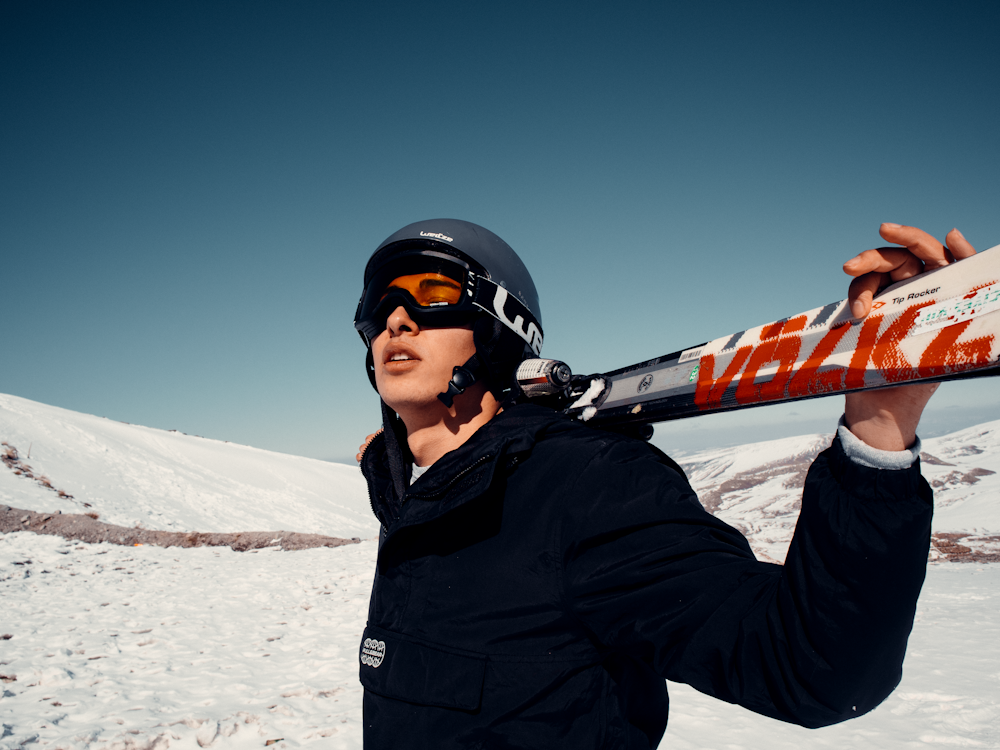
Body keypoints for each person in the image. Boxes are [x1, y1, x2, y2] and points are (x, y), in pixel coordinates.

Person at [353, 218, 976, 749]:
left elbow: (811, 668)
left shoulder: (588, 486)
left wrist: (880, 424)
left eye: (432, 293)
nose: (396, 321)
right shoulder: (412, 497)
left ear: (500, 327)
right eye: (378, 307)